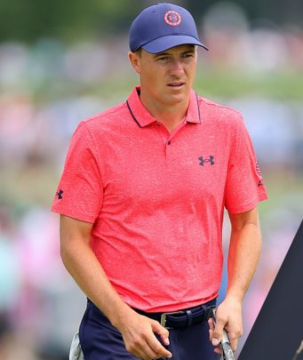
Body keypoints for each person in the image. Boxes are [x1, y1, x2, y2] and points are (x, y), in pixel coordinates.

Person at [52, 3, 267, 359]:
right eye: (163, 58)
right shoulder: (95, 136)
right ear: (136, 61)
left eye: (187, 55)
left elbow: (248, 224)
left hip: (204, 331)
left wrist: (235, 297)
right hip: (118, 333)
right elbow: (73, 243)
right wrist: (123, 319)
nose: (179, 70)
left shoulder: (227, 128)